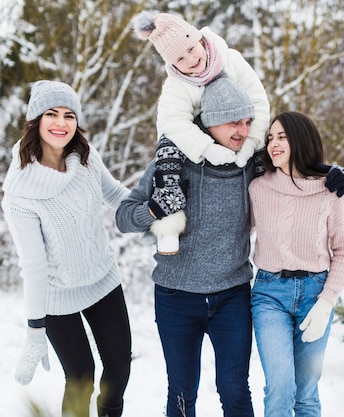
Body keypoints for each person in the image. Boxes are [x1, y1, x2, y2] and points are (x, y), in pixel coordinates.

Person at [115, 77, 258, 417]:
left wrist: (331, 173)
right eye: (233, 121)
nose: (243, 130)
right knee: (182, 392)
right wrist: (154, 208)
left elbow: (298, 169)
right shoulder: (171, 165)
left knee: (236, 389)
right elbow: (123, 217)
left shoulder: (252, 164)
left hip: (232, 296)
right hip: (176, 298)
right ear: (209, 121)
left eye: (248, 122)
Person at [1, 80, 132, 417]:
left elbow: (115, 195)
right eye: (52, 114)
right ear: (36, 120)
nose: (61, 123)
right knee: (80, 379)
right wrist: (35, 330)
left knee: (118, 370)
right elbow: (33, 265)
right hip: (58, 296)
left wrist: (149, 218)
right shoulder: (20, 190)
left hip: (102, 278)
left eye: (69, 115)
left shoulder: (84, 157)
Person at [132, 10, 270, 255]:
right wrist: (208, 150)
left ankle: (262, 217)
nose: (190, 60)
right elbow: (173, 121)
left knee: (264, 158)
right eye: (179, 59)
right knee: (168, 161)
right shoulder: (176, 84)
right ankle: (169, 227)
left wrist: (251, 144)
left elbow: (258, 102)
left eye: (190, 49)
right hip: (190, 139)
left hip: (237, 128)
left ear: (201, 41)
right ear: (172, 64)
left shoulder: (231, 60)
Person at [249, 111, 344, 417]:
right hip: (269, 294)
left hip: (315, 294)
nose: (273, 143)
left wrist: (326, 302)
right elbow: (237, 236)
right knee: (280, 388)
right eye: (270, 138)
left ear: (301, 141)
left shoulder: (331, 192)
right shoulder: (258, 188)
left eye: (282, 137)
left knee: (306, 394)